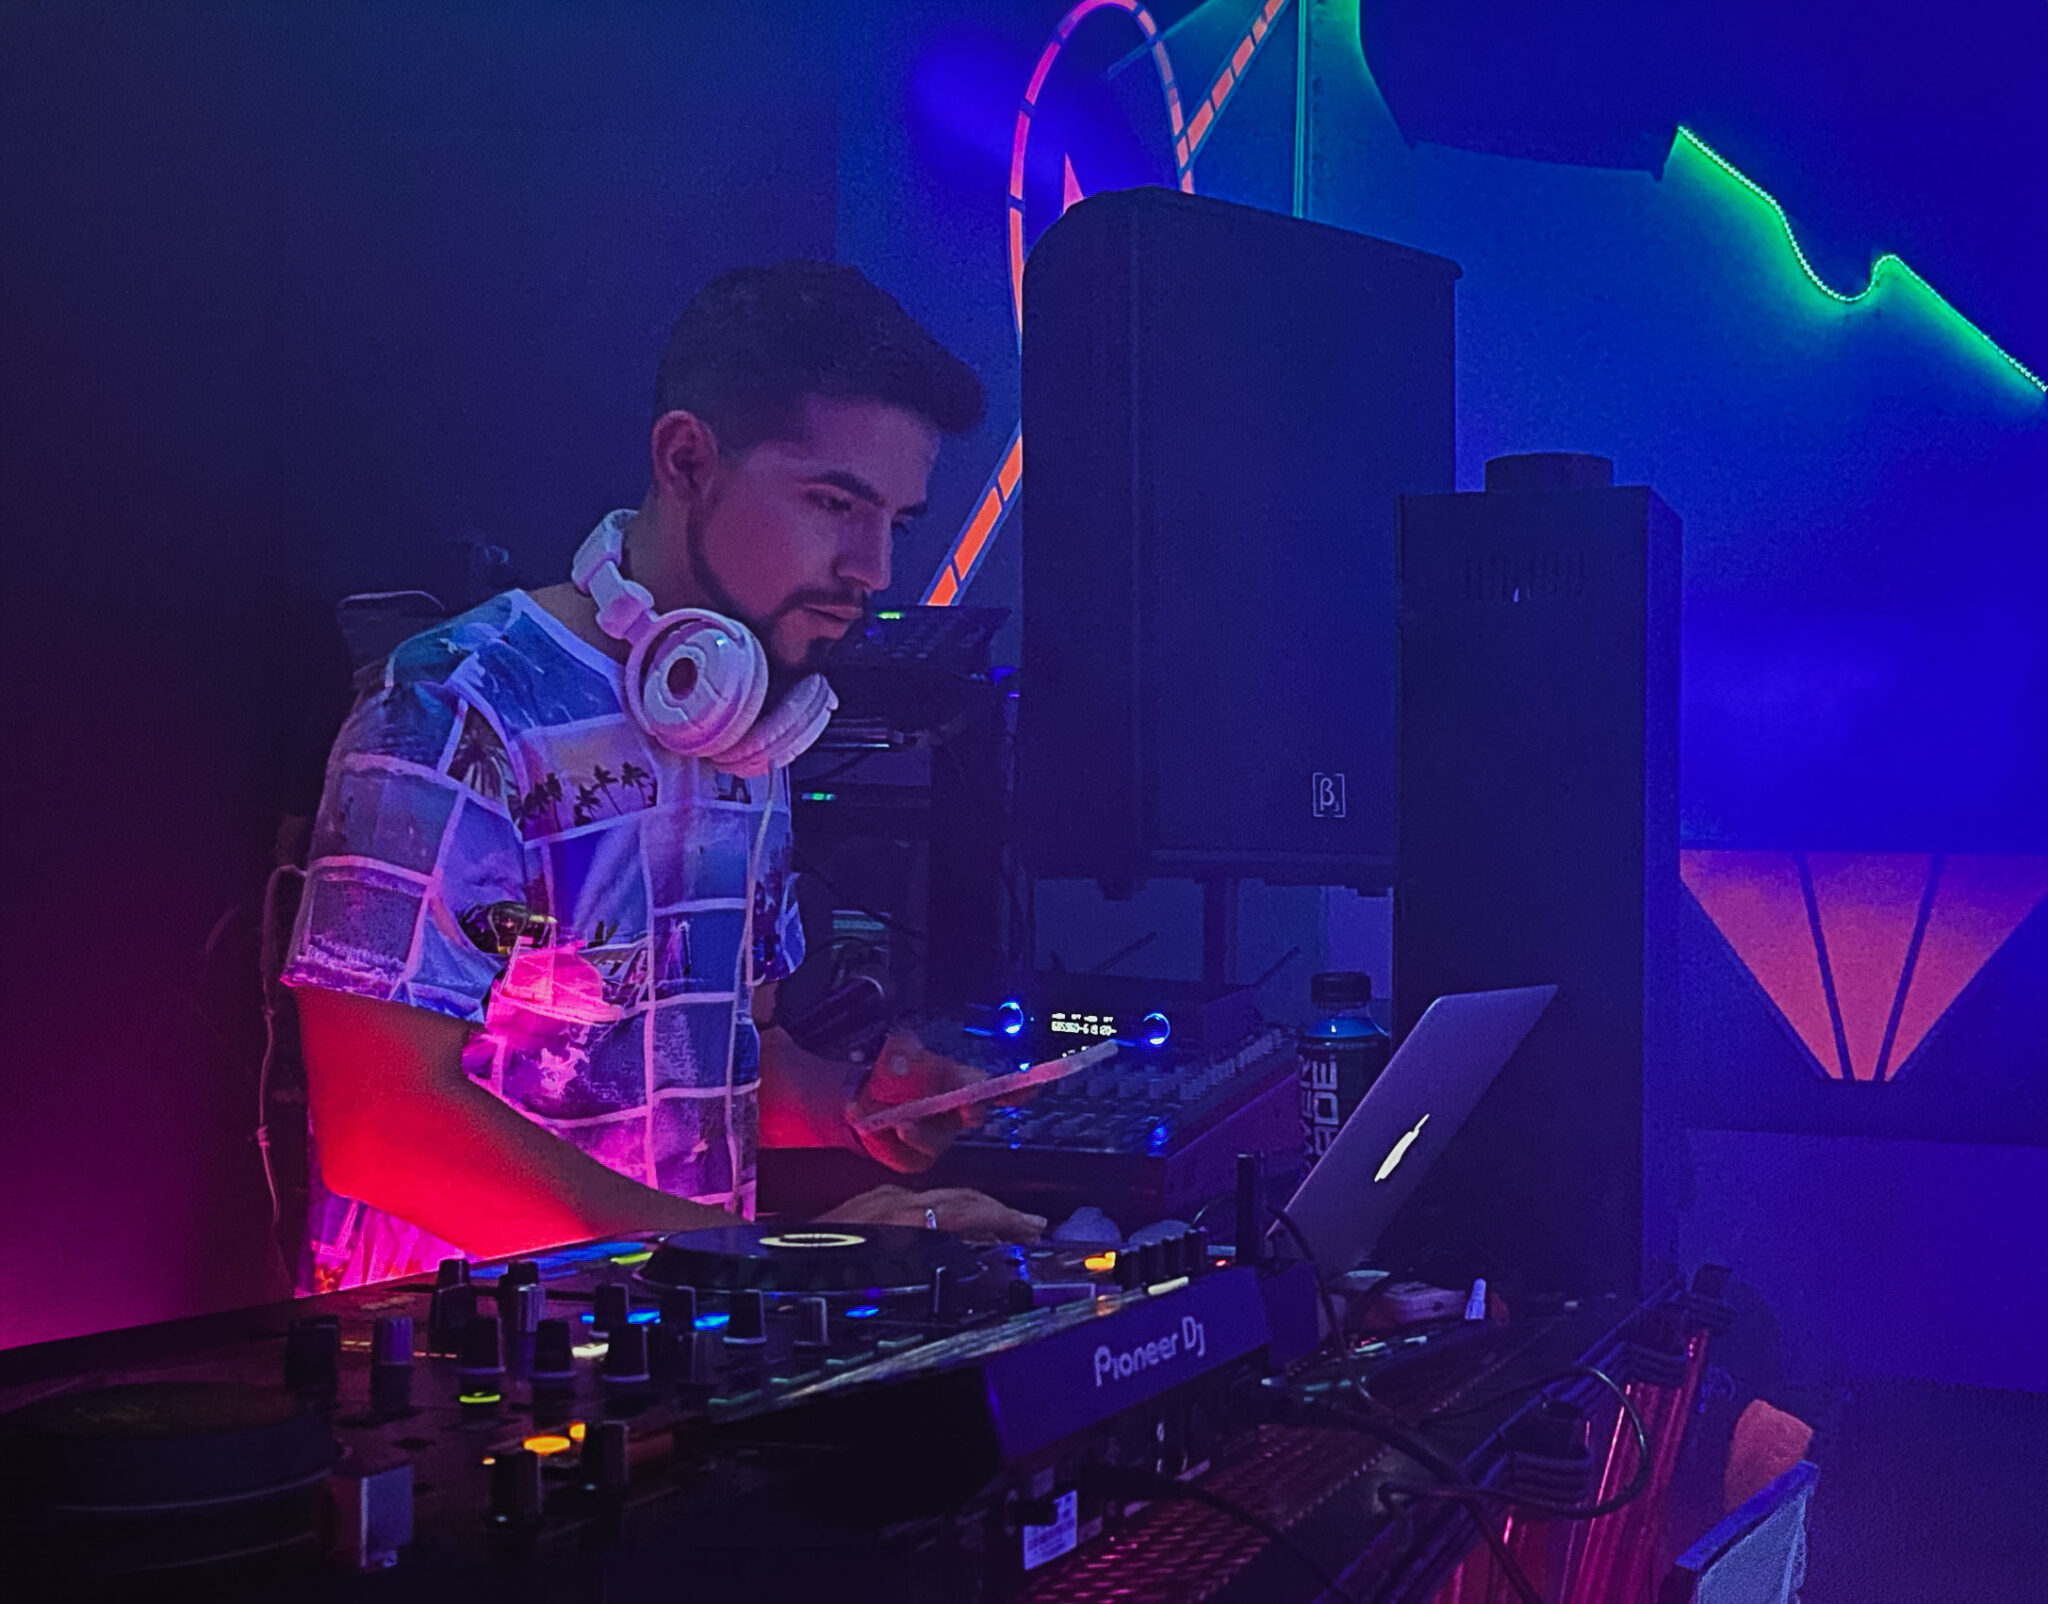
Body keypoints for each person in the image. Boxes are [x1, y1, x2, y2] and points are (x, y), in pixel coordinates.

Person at [284, 261, 1042, 1291]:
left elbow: (721, 1058)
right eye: (834, 502)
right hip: (458, 1359)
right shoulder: (456, 708)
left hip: (687, 1343)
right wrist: (749, 1262)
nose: (873, 567)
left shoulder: (745, 722)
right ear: (686, 459)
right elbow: (384, 1125)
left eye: (896, 524)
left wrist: (853, 1105)